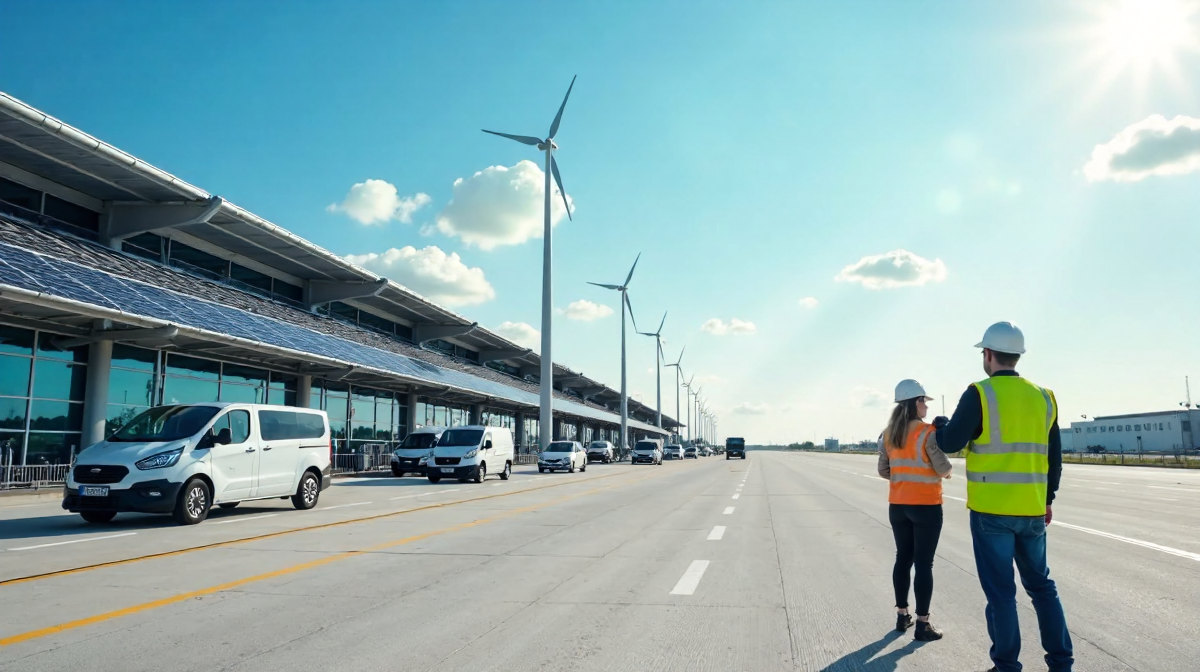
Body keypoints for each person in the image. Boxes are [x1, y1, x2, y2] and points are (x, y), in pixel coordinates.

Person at [933, 322, 1072, 672]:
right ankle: (1061, 663)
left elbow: (950, 443)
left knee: (1001, 594)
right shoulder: (1045, 396)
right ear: (1017, 355)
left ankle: (1007, 666)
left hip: (991, 511)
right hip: (1032, 509)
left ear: (988, 354)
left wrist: (940, 425)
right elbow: (1054, 457)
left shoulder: (980, 393)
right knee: (1042, 588)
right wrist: (1048, 499)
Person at [878, 379, 953, 641]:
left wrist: (903, 479)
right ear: (916, 402)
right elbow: (944, 469)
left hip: (898, 506)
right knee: (923, 564)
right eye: (924, 401)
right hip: (926, 506)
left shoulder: (888, 434)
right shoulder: (927, 432)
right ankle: (923, 624)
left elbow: (883, 470)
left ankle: (902, 616)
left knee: (903, 558)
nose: (927, 407)